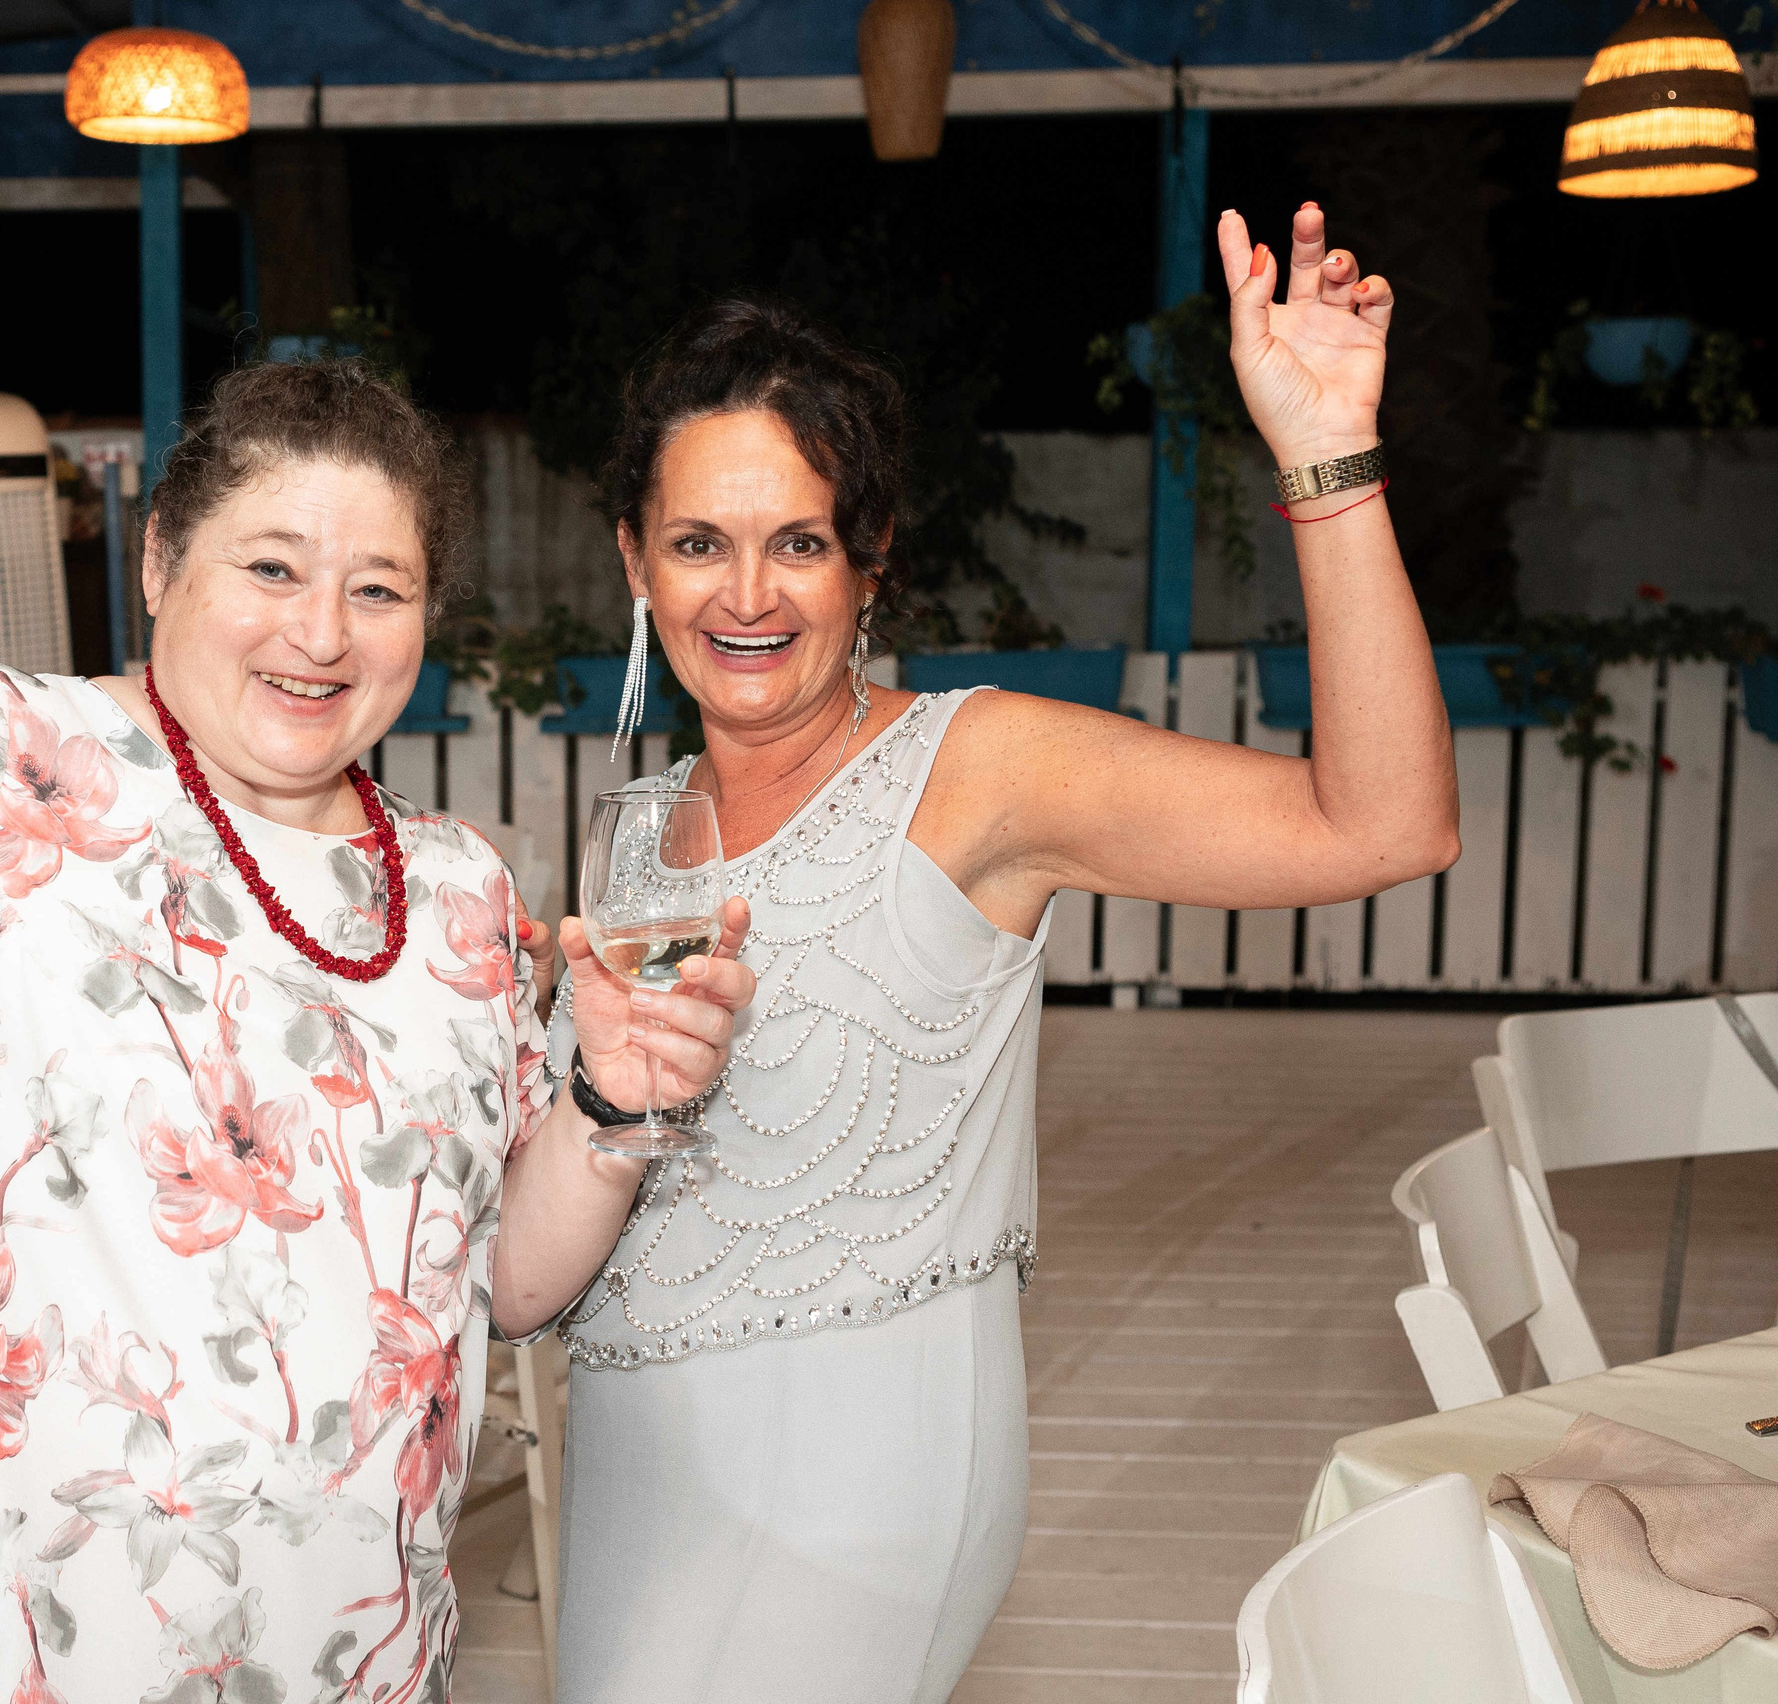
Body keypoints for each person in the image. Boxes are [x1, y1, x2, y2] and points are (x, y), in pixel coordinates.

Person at [0, 359, 756, 1704]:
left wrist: (609, 1105)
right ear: (163, 558)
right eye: (274, 568)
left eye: (379, 589)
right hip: (12, 1654)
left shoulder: (458, 888)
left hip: (355, 1652)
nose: (323, 633)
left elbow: (499, 1285)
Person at [491, 205, 1461, 1701]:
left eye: (798, 540)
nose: (745, 596)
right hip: (635, 1460)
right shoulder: (641, 827)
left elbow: (1384, 821)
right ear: (635, 556)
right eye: (699, 542)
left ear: (870, 556)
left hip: (854, 1482)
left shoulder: (977, 768)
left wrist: (1327, 460)